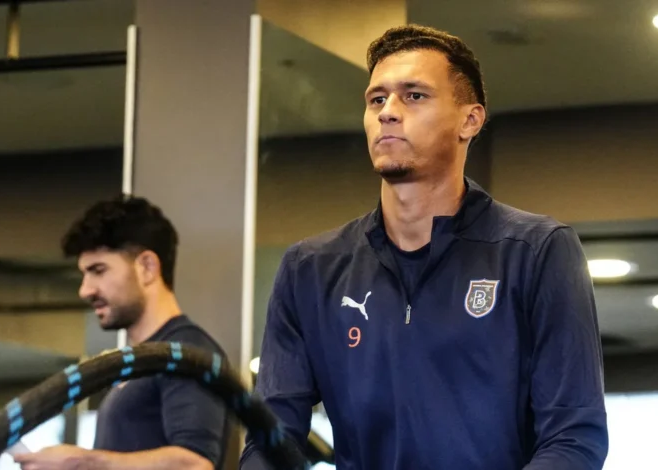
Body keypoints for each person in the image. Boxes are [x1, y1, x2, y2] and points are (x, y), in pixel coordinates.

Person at [240, 24, 608, 469]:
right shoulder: (310, 269)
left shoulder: (536, 252)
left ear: (470, 120)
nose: (388, 113)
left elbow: (574, 438)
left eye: (414, 96)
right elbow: (272, 441)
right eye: (377, 99)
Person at [14, 195, 230, 470]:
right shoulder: (138, 363)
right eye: (84, 274)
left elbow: (195, 466)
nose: (85, 290)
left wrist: (82, 463)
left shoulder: (188, 351)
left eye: (98, 270)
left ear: (147, 268)